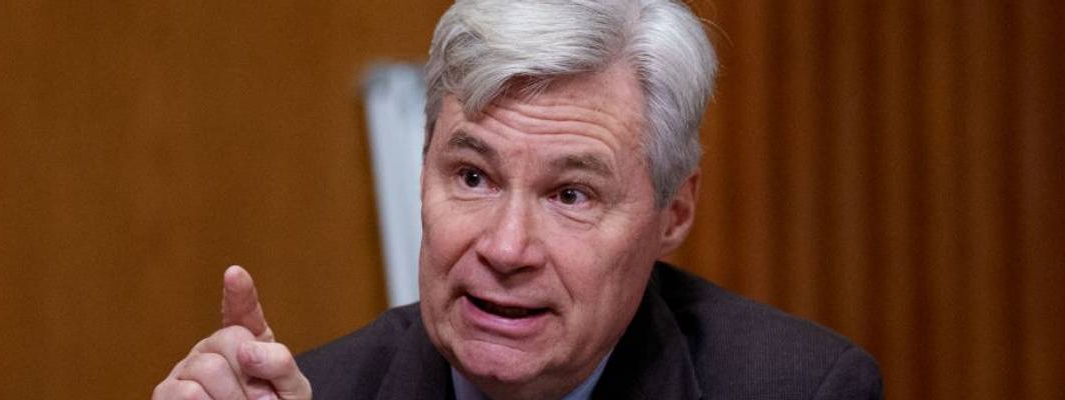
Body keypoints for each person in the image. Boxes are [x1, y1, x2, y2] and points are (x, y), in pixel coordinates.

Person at [152, 0, 883, 399]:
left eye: (571, 194)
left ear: (675, 213)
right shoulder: (322, 394)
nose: (504, 248)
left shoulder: (800, 390)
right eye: (472, 177)